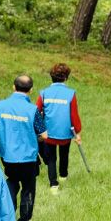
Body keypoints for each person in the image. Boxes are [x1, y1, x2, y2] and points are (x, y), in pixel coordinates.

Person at [0, 75, 47, 221]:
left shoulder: (0, 106)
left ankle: (7, 218)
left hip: (8, 157)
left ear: (14, 87)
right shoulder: (33, 110)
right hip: (28, 158)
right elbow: (44, 135)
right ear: (31, 90)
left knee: (12, 182)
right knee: (28, 187)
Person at [37, 63, 82, 194]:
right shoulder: (70, 94)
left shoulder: (44, 93)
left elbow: (36, 111)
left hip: (48, 133)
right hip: (65, 133)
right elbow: (74, 115)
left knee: (51, 158)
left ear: (51, 77)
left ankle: (53, 184)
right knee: (64, 154)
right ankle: (63, 176)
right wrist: (77, 132)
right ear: (66, 78)